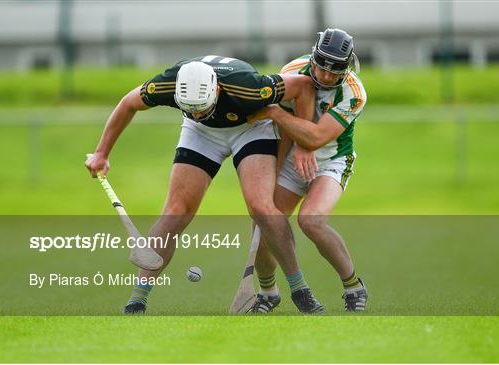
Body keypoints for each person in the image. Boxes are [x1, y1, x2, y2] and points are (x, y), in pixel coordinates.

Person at [85, 55, 325, 314]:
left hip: (250, 126)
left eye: (202, 107)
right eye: (191, 109)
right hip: (201, 133)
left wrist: (304, 144)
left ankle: (300, 290)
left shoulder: (250, 86)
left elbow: (303, 86)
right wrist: (101, 153)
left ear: (217, 90)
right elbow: (128, 103)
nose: (198, 113)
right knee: (175, 212)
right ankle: (137, 299)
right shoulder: (168, 84)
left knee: (262, 209)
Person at [248, 29, 368, 313]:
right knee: (265, 223)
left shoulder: (354, 92)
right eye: (321, 66)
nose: (325, 76)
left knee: (311, 221)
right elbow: (285, 129)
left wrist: (276, 113)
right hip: (291, 159)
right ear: (313, 56)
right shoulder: (290, 72)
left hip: (332, 160)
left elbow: (315, 138)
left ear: (348, 66)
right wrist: (274, 171)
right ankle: (268, 292)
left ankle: (353, 286)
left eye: (335, 70)